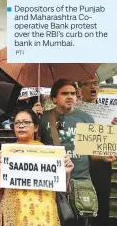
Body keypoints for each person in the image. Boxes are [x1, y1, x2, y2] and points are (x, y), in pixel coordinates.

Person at [39, 79, 117, 226]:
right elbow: (36, 147)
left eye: (73, 93)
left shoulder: (86, 118)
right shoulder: (43, 119)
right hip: (53, 182)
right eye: (64, 93)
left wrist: (104, 157)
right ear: (54, 98)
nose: (70, 96)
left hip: (81, 183)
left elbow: (91, 153)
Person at [0, 109, 74, 226]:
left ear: (35, 127)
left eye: (26, 122)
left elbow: (62, 188)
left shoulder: (49, 154)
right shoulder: (7, 153)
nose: (21, 126)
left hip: (43, 213)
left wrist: (66, 172)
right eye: (17, 123)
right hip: (14, 213)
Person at [78, 77, 117, 226]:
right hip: (80, 164)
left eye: (95, 83)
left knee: (101, 202)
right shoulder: (73, 110)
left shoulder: (109, 113)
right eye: (87, 83)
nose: (92, 87)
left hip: (101, 165)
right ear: (80, 89)